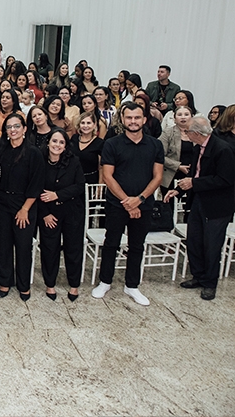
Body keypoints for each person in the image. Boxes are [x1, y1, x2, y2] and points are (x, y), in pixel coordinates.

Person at [91, 102, 164, 306]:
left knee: (137, 246)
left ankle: (132, 285)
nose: (133, 121)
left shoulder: (155, 145)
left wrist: (139, 200)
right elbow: (108, 176)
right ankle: (105, 282)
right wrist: (127, 202)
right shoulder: (112, 144)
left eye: (137, 117)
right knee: (111, 243)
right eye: (129, 117)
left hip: (144, 205)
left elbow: (158, 177)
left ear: (144, 119)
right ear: (122, 120)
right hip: (117, 204)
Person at [165, 117, 235, 301]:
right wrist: (178, 190)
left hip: (217, 206)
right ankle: (198, 276)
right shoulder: (198, 147)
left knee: (212, 245)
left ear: (196, 133)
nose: (185, 133)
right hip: (198, 201)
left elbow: (225, 180)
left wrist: (194, 183)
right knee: (194, 240)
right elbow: (194, 174)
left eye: (187, 131)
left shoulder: (223, 149)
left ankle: (210, 283)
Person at [0, 113, 45, 301]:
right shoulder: (1, 150)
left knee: (23, 246)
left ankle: (24, 285)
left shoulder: (34, 152)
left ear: (24, 129)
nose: (13, 130)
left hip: (24, 204)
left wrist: (25, 209)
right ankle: (5, 281)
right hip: (2, 203)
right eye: (9, 127)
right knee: (4, 244)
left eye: (16, 126)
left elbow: (37, 183)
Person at [37, 129, 85, 301]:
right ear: (48, 142)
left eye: (61, 142)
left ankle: (74, 285)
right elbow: (34, 188)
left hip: (72, 212)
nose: (57, 145)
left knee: (73, 248)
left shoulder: (74, 161)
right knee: (50, 249)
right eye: (54, 141)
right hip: (49, 213)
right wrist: (44, 214)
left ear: (65, 146)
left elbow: (79, 186)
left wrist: (57, 195)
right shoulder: (39, 161)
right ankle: (50, 284)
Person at [69, 111, 104, 184]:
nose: (85, 126)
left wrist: (100, 185)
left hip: (91, 181)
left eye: (88, 123)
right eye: (83, 123)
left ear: (94, 125)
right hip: (72, 180)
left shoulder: (100, 143)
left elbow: (101, 168)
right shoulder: (74, 138)